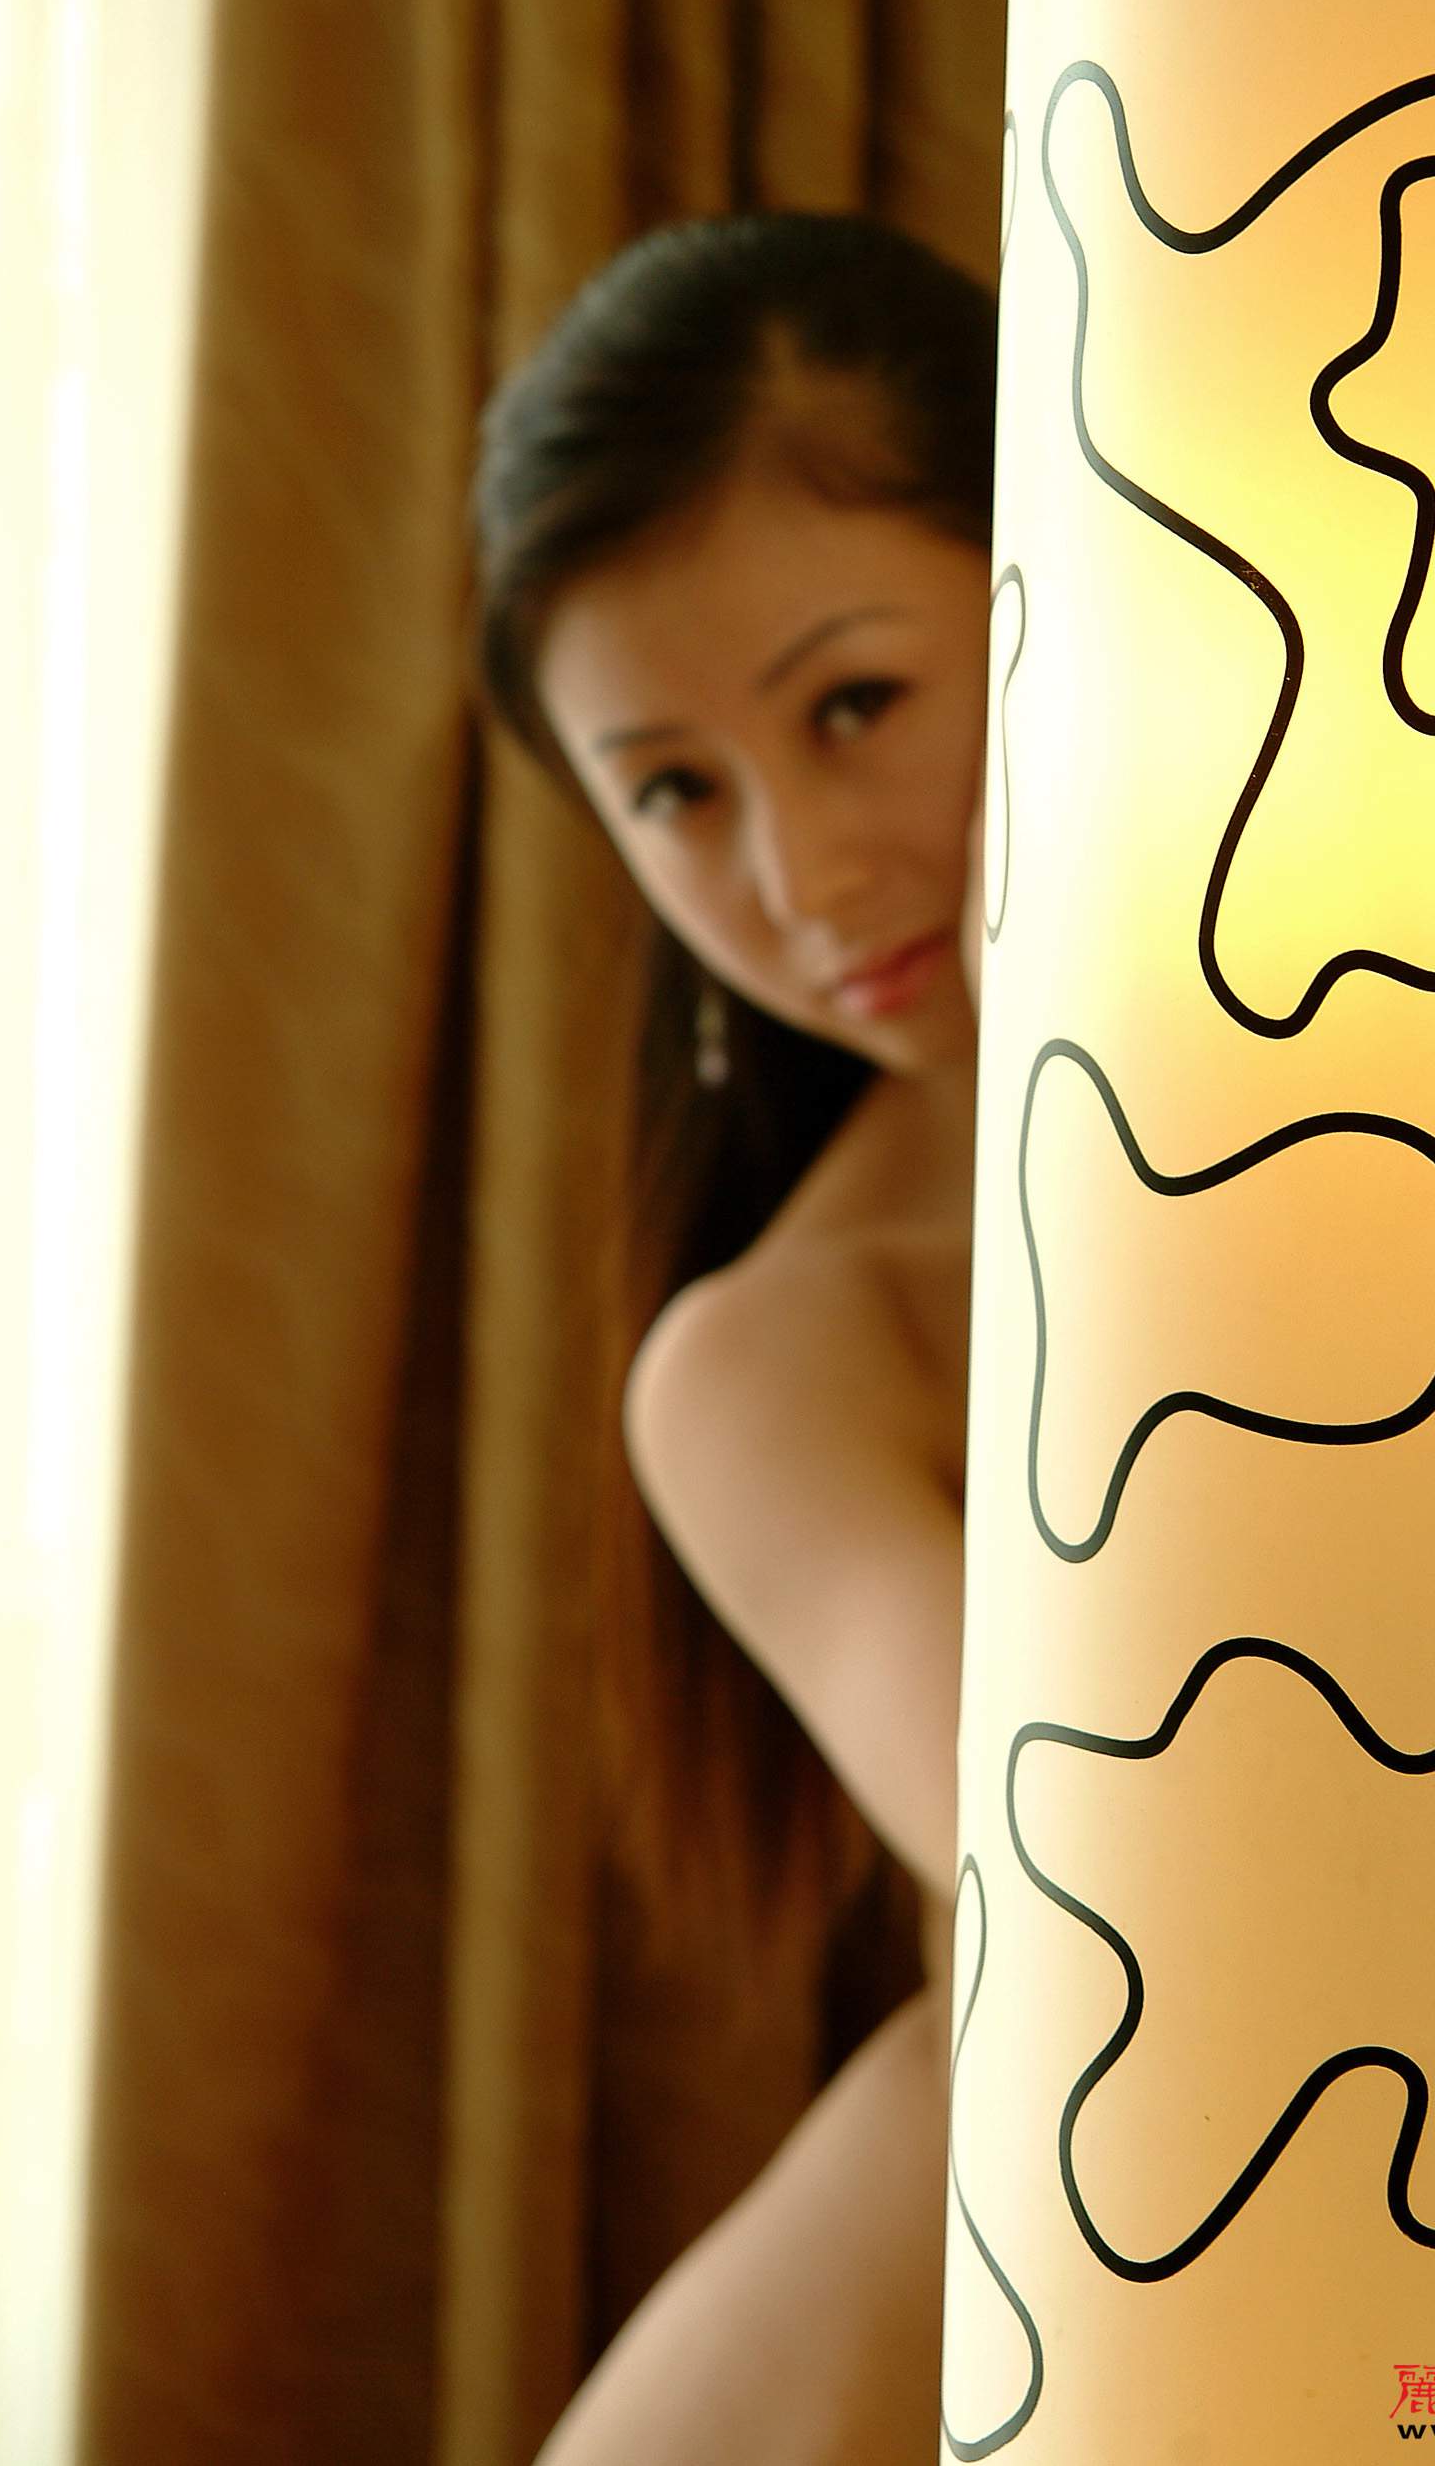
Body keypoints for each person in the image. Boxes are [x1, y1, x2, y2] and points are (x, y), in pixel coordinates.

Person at [472, 210, 995, 2465]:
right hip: (1021, 2262)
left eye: (854, 706)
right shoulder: (775, 1357)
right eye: (678, 790)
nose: (801, 874)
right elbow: (1099, 1900)